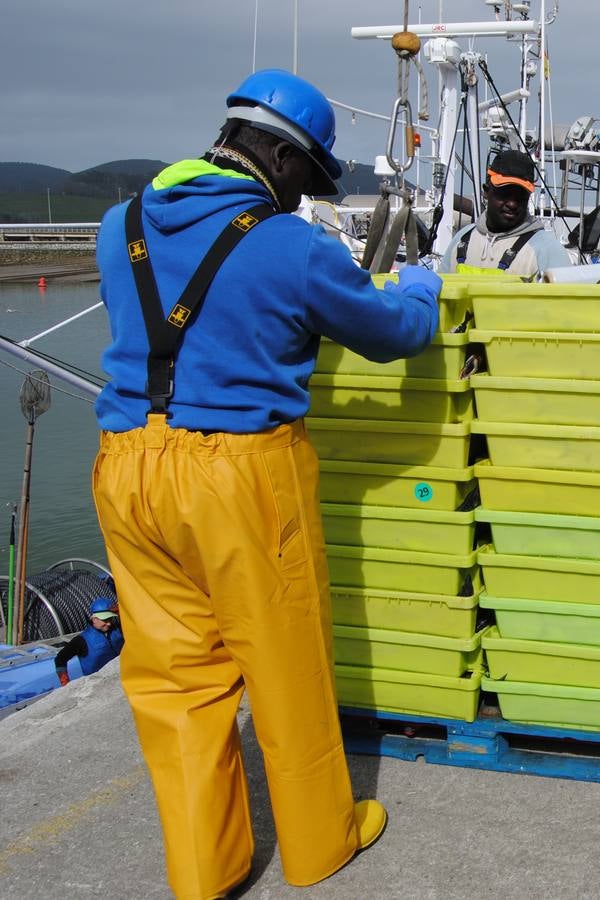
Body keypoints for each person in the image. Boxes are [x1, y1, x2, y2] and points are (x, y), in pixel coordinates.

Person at [92, 69, 442, 898]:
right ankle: (321, 844)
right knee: (285, 665)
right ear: (281, 158)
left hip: (125, 465)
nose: (304, 198)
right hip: (237, 473)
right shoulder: (290, 245)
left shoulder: (119, 227)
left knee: (175, 682)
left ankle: (204, 871)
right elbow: (392, 332)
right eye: (309, 179)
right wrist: (421, 286)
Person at [441, 148, 571, 279]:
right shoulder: (462, 239)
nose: (512, 204)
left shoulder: (547, 250)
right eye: (504, 194)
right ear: (486, 192)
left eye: (521, 196)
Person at [54, 596, 125, 685]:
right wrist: (65, 682)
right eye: (105, 620)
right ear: (94, 619)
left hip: (121, 677)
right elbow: (60, 659)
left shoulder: (118, 629)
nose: (109, 623)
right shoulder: (81, 640)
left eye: (110, 619)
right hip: (97, 685)